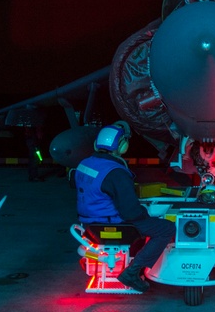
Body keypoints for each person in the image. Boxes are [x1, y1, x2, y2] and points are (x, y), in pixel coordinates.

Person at [72, 121, 175, 292]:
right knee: (166, 229)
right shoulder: (116, 172)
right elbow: (131, 212)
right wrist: (147, 213)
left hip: (89, 225)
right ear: (122, 146)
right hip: (114, 223)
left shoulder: (84, 164)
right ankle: (132, 273)